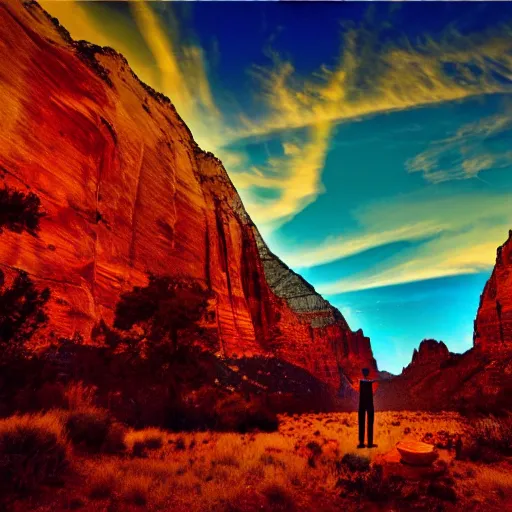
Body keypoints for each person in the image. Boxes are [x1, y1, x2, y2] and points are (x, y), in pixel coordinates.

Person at [358, 368, 378, 448]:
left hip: (362, 403)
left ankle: (362, 443)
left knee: (363, 423)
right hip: (368, 403)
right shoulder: (367, 381)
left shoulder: (362, 381)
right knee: (369, 423)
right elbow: (370, 381)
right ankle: (368, 443)